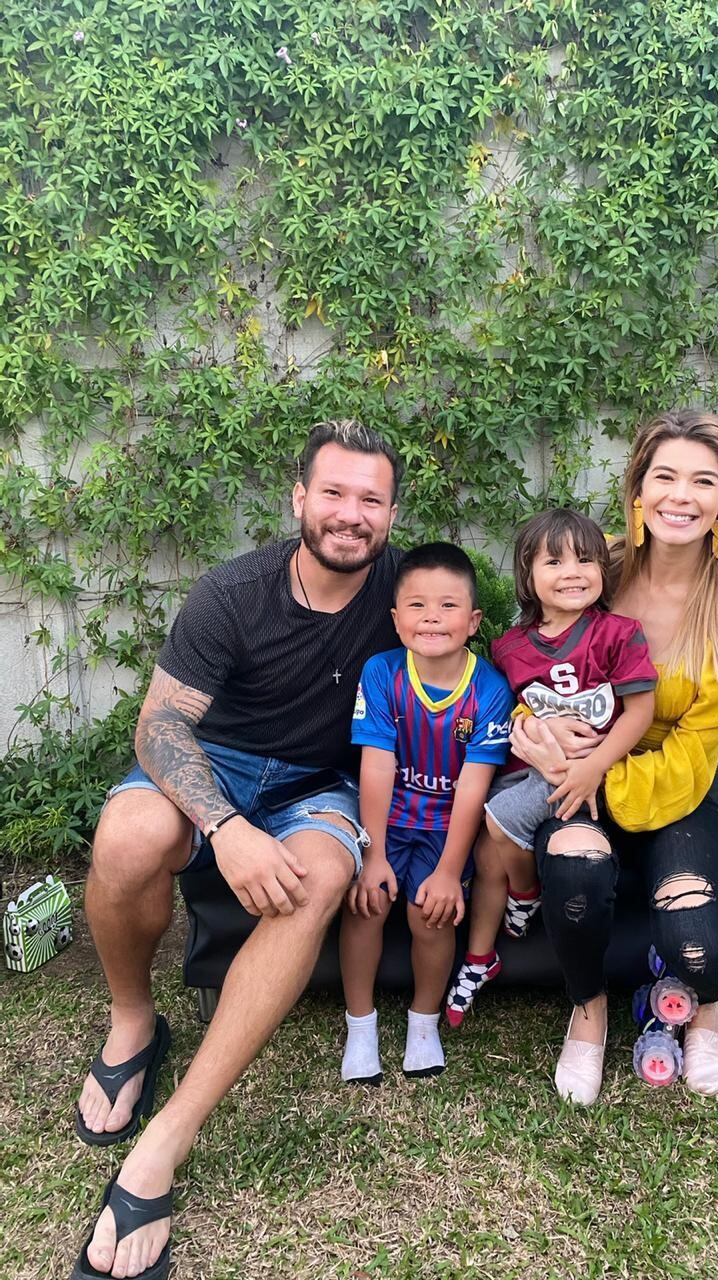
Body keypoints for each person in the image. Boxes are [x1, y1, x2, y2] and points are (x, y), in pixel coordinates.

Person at [72, 420, 403, 1280]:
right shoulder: (233, 593)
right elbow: (159, 724)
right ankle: (134, 1021)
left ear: (391, 514)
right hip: (212, 762)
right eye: (333, 493)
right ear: (300, 499)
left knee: (320, 875)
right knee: (131, 835)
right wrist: (225, 827)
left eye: (371, 499)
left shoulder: (405, 590)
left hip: (316, 783)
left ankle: (166, 1141)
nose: (350, 515)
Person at [495, 409, 718, 1105]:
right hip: (571, 775)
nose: (682, 496)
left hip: (671, 785)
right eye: (665, 476)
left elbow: (694, 750)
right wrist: (532, 732)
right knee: (575, 872)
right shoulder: (596, 569)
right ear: (639, 491)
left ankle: (705, 1007)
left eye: (703, 482)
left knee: (698, 951)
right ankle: (587, 1012)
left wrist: (596, 771)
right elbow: (537, 661)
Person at [445, 508, 657, 1027]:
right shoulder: (510, 647)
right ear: (528, 575)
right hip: (526, 768)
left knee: (498, 821)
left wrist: (596, 765)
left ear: (603, 572)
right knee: (483, 845)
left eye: (586, 560)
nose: (572, 572)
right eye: (555, 561)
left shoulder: (617, 633)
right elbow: (506, 708)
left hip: (591, 775)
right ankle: (480, 956)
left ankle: (527, 893)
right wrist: (531, 728)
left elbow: (641, 711)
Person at [339, 542, 513, 1083]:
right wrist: (373, 854)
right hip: (386, 819)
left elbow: (472, 788)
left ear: (474, 620)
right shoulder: (382, 673)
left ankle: (423, 1020)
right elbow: (376, 767)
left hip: (444, 828)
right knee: (367, 904)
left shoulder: (489, 690)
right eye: (416, 606)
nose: (431, 617)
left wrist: (446, 873)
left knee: (428, 913)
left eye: (447, 606)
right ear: (395, 619)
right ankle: (360, 1025)